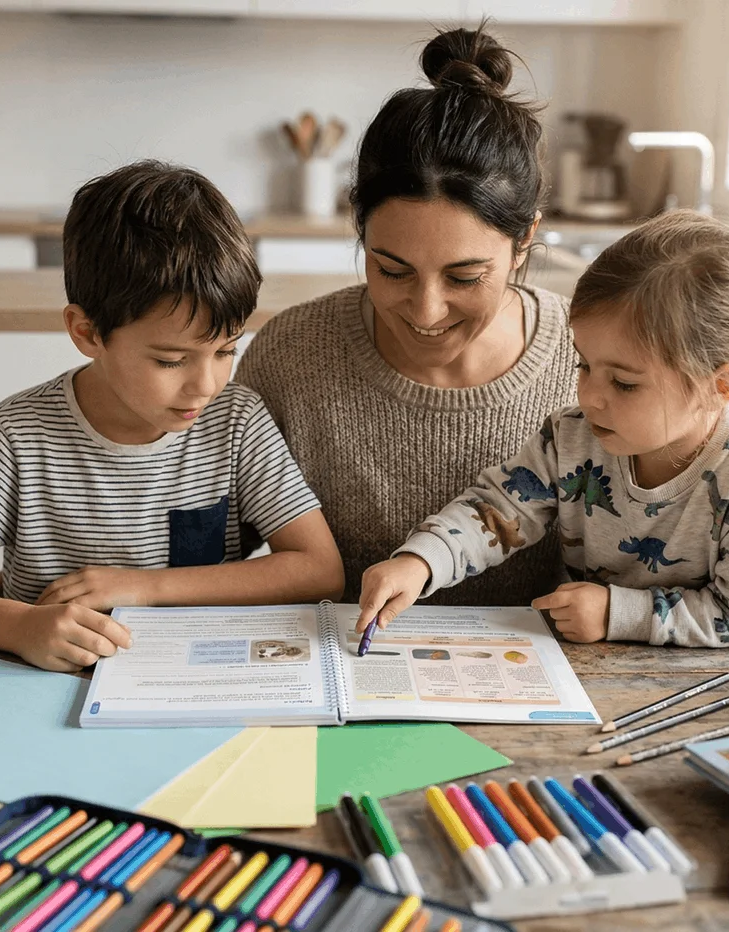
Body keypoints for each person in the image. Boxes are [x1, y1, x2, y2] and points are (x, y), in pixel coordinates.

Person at [0, 161, 343, 672]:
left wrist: (146, 587)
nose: (205, 385)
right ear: (88, 333)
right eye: (170, 360)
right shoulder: (18, 435)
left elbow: (319, 570)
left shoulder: (237, 422)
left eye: (225, 351)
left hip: (198, 678)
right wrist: (15, 626)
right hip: (42, 688)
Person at [357, 210, 729, 648]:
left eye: (623, 382)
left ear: (718, 386)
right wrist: (420, 562)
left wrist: (618, 614)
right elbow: (499, 508)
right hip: (604, 664)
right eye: (584, 365)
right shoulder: (575, 436)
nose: (590, 396)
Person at [236, 25, 577, 606]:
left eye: (465, 277)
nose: (425, 310)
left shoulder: (589, 361)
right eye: (392, 269)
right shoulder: (290, 355)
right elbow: (209, 546)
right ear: (359, 227)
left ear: (524, 243)